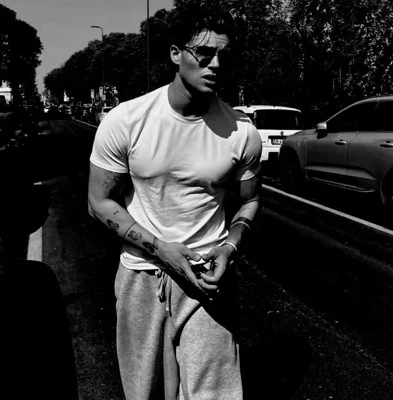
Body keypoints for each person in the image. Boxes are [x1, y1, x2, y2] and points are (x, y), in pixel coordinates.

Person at [88, 5, 262, 399]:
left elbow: (250, 202)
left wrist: (230, 247)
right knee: (144, 391)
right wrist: (161, 248)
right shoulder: (126, 120)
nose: (215, 65)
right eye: (204, 53)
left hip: (206, 277)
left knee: (214, 393)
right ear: (175, 54)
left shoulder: (242, 132)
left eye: (224, 55)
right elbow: (98, 202)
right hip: (142, 275)